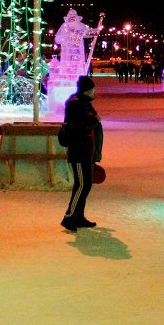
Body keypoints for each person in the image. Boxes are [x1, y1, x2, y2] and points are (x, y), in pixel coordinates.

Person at [61, 76, 103, 232]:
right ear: (87, 90)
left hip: (86, 151)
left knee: (86, 184)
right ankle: (69, 216)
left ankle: (78, 216)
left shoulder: (84, 103)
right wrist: (94, 120)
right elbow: (78, 125)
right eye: (93, 90)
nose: (95, 92)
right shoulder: (76, 104)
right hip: (78, 151)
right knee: (81, 185)